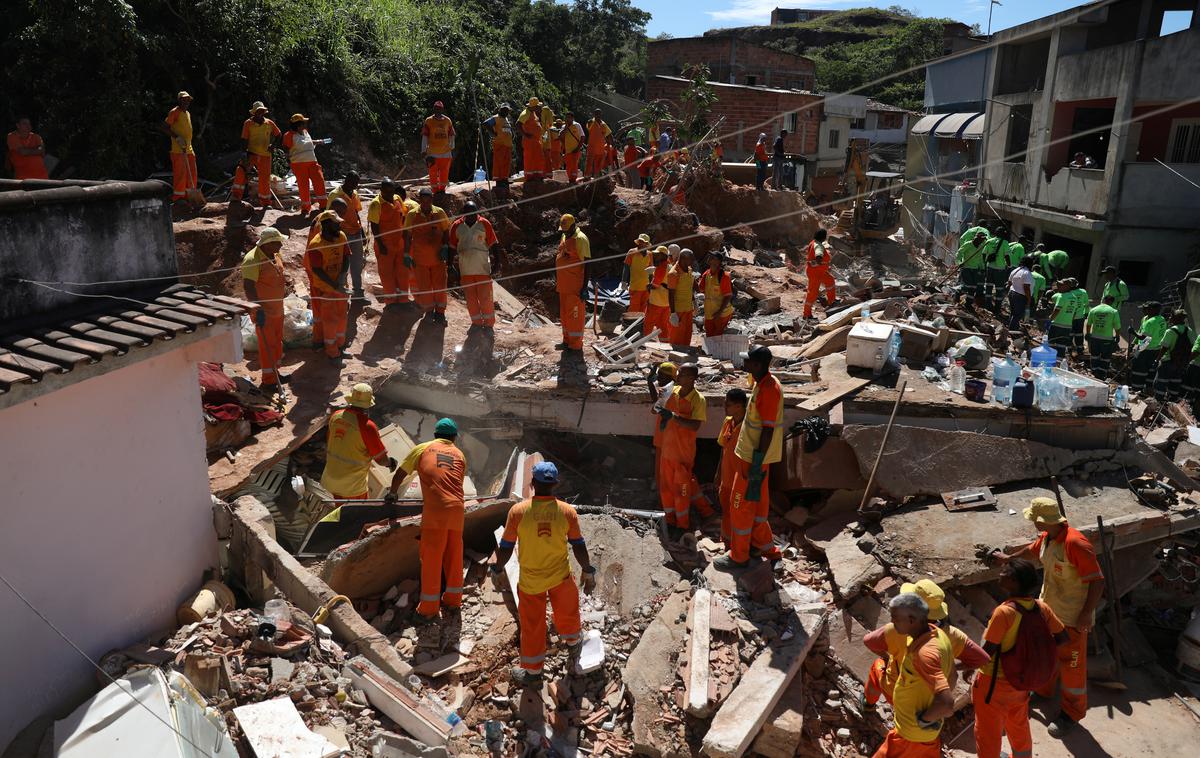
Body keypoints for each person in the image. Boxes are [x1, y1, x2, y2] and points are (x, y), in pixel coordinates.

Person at [991, 498, 1105, 737]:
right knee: (1045, 655)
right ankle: (1043, 691)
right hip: (1049, 612)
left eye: (1034, 518)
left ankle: (1071, 714)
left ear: (1042, 520)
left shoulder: (1076, 543)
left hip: (1073, 619)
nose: (1032, 521)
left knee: (1072, 668)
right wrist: (1009, 559)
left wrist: (1085, 614)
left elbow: (1097, 580)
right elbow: (1031, 552)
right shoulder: (1048, 538)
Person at [489, 461, 596, 686]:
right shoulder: (567, 511)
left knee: (533, 625)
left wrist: (498, 569)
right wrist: (587, 570)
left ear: (533, 483)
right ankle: (574, 645)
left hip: (531, 581)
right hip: (560, 577)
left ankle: (534, 674)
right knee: (567, 613)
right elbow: (578, 544)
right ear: (555, 484)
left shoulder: (518, 511)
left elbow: (507, 546)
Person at [972, 559, 1069, 758]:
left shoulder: (1004, 612)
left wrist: (965, 666)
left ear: (1014, 581)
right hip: (1022, 682)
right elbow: (1063, 637)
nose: (1000, 573)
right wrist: (1032, 656)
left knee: (987, 732)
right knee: (1019, 725)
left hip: (994, 684)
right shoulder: (1041, 608)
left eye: (1005, 571)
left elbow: (987, 651)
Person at [863, 579, 989, 708]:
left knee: (877, 666)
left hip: (896, 692)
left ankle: (868, 704)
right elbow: (981, 659)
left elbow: (868, 641)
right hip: (927, 699)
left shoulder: (895, 629)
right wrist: (953, 669)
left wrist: (887, 657)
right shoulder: (953, 636)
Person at [387, 418, 466, 621]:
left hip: (436, 514)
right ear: (454, 437)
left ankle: (429, 609)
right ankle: (454, 601)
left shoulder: (423, 448)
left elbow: (400, 474)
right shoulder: (459, 454)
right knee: (453, 555)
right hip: (457, 511)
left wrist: (393, 494)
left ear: (435, 435)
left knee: (432, 558)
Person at [716, 345, 784, 569]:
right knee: (756, 508)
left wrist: (756, 461)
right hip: (754, 458)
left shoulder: (769, 390)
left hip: (752, 460)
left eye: (748, 362)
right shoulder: (761, 384)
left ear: (757, 365)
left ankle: (739, 556)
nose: (744, 364)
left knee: (741, 508)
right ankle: (763, 547)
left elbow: (767, 429)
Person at [870, 593, 957, 758]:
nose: (892, 622)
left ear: (911, 620)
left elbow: (947, 704)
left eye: (895, 618)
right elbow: (953, 676)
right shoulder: (939, 635)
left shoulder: (925, 654)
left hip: (910, 734)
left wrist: (923, 720)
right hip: (925, 735)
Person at [656, 364, 707, 538]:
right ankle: (670, 521)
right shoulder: (672, 391)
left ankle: (683, 525)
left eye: (683, 374)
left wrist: (674, 417)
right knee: (666, 489)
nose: (678, 376)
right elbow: (655, 408)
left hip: (682, 455)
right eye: (679, 373)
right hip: (667, 452)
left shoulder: (698, 400)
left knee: (682, 492)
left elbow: (695, 425)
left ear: (692, 378)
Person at [320, 384, 391, 500]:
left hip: (328, 481)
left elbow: (333, 441)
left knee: (329, 515)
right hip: (351, 489)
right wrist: (390, 463)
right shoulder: (367, 427)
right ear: (368, 405)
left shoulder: (336, 416)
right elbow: (381, 460)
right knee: (353, 516)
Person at [241, 227, 288, 392]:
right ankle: (269, 381)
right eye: (277, 242)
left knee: (277, 342)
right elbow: (248, 287)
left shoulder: (274, 255)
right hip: (264, 312)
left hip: (277, 308)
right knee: (267, 345)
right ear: (267, 244)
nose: (281, 245)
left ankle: (276, 374)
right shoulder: (252, 260)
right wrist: (257, 309)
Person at [448, 201, 505, 332]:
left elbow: (494, 244)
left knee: (485, 298)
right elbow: (451, 247)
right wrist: (450, 265)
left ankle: (489, 325)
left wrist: (497, 262)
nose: (472, 216)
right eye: (469, 214)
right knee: (471, 299)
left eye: (474, 214)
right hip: (465, 270)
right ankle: (476, 323)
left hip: (482, 269)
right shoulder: (457, 226)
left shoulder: (484, 224)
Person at [306, 210, 351, 360]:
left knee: (342, 317)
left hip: (339, 285)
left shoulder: (341, 236)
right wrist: (333, 284)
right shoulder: (316, 245)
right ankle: (332, 352)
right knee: (330, 321)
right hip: (325, 289)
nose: (339, 224)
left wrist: (342, 277)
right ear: (326, 225)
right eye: (335, 222)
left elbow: (346, 257)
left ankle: (340, 346)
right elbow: (317, 270)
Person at [403, 187, 452, 323]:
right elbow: (407, 236)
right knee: (424, 287)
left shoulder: (439, 212)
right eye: (423, 200)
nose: (425, 203)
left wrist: (445, 245)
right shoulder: (412, 215)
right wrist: (406, 254)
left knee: (440, 286)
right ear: (419, 200)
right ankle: (429, 311)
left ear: (431, 199)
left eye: (428, 200)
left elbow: (446, 230)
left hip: (438, 259)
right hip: (420, 260)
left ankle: (440, 313)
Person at [715, 388, 748, 544]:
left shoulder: (748, 427)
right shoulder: (728, 422)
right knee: (726, 510)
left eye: (728, 404)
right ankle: (727, 540)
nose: (724, 406)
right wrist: (718, 473)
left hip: (739, 478)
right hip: (726, 477)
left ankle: (738, 545)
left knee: (738, 511)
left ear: (739, 406)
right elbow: (723, 449)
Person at [328, 171, 366, 299]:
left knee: (357, 263)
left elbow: (356, 213)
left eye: (356, 184)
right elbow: (329, 216)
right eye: (353, 183)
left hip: (356, 232)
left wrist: (362, 232)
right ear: (346, 181)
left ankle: (358, 292)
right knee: (343, 264)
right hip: (343, 234)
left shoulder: (354, 194)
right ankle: (341, 291)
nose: (354, 186)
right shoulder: (335, 195)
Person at [556, 214, 589, 352]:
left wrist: (585, 287)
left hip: (575, 286)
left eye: (566, 230)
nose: (564, 232)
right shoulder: (565, 235)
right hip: (564, 285)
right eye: (563, 230)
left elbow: (588, 264)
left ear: (573, 226)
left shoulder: (581, 239)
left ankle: (575, 345)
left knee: (575, 316)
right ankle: (567, 340)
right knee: (564, 315)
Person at [283, 114, 328, 214]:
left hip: (313, 162)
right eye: (303, 123)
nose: (305, 124)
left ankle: (323, 205)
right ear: (298, 125)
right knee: (304, 186)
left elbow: (307, 142)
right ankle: (305, 208)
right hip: (298, 165)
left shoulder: (305, 132)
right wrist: (289, 161)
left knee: (319, 181)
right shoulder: (288, 136)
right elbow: (286, 150)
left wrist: (318, 142)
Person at [241, 101, 281, 208]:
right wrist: (244, 154)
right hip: (251, 153)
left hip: (265, 155)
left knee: (264, 179)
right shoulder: (248, 123)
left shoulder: (269, 123)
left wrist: (273, 146)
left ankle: (265, 203)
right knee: (241, 172)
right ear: (254, 112)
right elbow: (244, 139)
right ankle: (237, 197)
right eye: (258, 111)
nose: (260, 113)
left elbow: (278, 134)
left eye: (262, 111)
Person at [161, 92, 196, 202]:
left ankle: (189, 197)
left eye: (188, 100)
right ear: (179, 100)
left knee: (192, 175)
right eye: (184, 100)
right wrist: (177, 137)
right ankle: (178, 199)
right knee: (180, 176)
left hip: (189, 149)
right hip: (178, 150)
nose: (186, 102)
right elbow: (164, 127)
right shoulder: (174, 112)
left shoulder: (188, 113)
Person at [1129, 301, 1166, 393]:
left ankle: (1137, 389)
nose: (1143, 310)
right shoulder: (1160, 319)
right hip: (1152, 347)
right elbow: (1141, 331)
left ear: (1153, 310)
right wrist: (1134, 343)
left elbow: (1144, 337)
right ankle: (1147, 390)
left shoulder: (1151, 322)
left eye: (1146, 309)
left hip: (1146, 348)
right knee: (1150, 370)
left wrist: (1132, 332)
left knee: (1138, 369)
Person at [1155, 309, 1192, 400]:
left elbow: (1164, 348)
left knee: (1160, 383)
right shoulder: (1189, 331)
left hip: (1167, 361)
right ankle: (1172, 402)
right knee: (1175, 383)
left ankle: (1159, 402)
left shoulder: (1170, 331)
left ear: (1176, 318)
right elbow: (1191, 346)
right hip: (1181, 363)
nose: (1170, 318)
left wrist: (1157, 360)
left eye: (1171, 316)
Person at [422, 100, 455, 194]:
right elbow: (425, 136)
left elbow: (452, 134)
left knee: (444, 173)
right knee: (432, 173)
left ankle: (442, 190)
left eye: (439, 108)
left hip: (446, 153)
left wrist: (451, 146)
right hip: (432, 153)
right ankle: (435, 191)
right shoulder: (429, 121)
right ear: (433, 108)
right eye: (436, 108)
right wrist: (424, 150)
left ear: (442, 109)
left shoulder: (447, 120)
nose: (438, 110)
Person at [803, 229, 837, 319]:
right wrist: (821, 262)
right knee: (813, 293)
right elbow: (818, 256)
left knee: (830, 281)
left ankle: (831, 302)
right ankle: (806, 314)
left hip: (819, 271)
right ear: (823, 237)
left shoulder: (813, 242)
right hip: (815, 273)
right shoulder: (818, 246)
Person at [1084, 295, 1121, 380]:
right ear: (1112, 302)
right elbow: (1117, 327)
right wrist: (1117, 336)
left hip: (1095, 338)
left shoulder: (1093, 310)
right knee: (1105, 357)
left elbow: (1089, 324)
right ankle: (1102, 374)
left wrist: (1088, 333)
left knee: (1094, 355)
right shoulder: (1113, 311)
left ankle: (1094, 372)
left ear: (1103, 300)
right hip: (1107, 339)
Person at [666, 249, 697, 348]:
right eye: (690, 259)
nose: (692, 261)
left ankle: (684, 356)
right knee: (677, 338)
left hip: (688, 309)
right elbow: (671, 294)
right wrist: (673, 313)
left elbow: (689, 287)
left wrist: (694, 302)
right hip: (678, 311)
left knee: (686, 336)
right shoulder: (674, 273)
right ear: (684, 259)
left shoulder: (689, 270)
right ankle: (675, 359)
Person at [700, 253, 735, 337]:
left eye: (712, 257)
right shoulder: (706, 274)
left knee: (717, 338)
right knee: (710, 337)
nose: (709, 258)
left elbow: (728, 296)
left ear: (718, 261)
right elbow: (700, 289)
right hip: (709, 313)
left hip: (721, 314)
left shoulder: (724, 276)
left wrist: (719, 312)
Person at [482, 103, 514, 190]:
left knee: (506, 163)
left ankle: (504, 179)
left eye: (507, 111)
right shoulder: (496, 118)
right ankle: (499, 180)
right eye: (505, 110)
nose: (506, 112)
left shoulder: (506, 119)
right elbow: (486, 124)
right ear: (501, 110)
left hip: (507, 145)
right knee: (499, 163)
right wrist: (493, 133)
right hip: (500, 144)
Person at [622, 234, 653, 314]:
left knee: (643, 310)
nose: (641, 244)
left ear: (647, 244)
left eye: (643, 242)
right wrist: (624, 282)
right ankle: (630, 325)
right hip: (635, 287)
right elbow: (626, 267)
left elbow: (651, 271)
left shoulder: (650, 254)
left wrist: (652, 285)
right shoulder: (632, 252)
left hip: (646, 288)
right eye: (640, 242)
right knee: (633, 309)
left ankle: (640, 326)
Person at [982, 227, 1011, 313]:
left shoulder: (989, 241)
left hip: (990, 267)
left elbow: (984, 253)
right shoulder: (1005, 242)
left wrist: (985, 263)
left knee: (989, 287)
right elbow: (1007, 256)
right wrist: (1009, 265)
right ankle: (997, 308)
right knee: (999, 289)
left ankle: (988, 305)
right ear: (1002, 234)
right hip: (1000, 269)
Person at [645, 246, 671, 337]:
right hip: (667, 301)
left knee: (649, 321)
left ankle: (644, 341)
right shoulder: (670, 266)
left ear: (662, 255)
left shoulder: (661, 267)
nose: (655, 256)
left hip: (656, 300)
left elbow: (655, 285)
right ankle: (664, 343)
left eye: (657, 254)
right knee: (663, 324)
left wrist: (648, 284)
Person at [956, 231, 988, 306]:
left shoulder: (981, 247)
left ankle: (968, 303)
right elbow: (959, 254)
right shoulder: (968, 244)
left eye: (983, 240)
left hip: (975, 269)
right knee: (967, 285)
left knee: (973, 287)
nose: (983, 241)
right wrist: (959, 262)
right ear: (977, 238)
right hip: (966, 267)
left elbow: (980, 259)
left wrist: (983, 268)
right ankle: (958, 292)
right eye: (982, 239)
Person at [1046, 280, 1076, 357]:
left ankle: (1049, 360)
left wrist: (1050, 319)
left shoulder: (1062, 296)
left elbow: (1057, 310)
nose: (1058, 287)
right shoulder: (1074, 297)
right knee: (1062, 346)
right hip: (1067, 326)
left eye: (1060, 285)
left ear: (1067, 286)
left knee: (1051, 343)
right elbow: (1074, 313)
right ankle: (1058, 362)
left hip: (1057, 324)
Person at [519, 97, 545, 180]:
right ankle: (529, 177)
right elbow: (518, 124)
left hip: (536, 141)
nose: (539, 108)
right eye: (538, 106)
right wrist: (525, 134)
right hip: (529, 142)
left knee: (538, 159)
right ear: (533, 106)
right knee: (529, 159)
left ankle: (537, 176)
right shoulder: (525, 113)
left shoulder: (533, 113)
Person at [1005, 255, 1034, 331]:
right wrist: (1029, 299)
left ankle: (1011, 327)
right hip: (1020, 296)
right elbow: (1026, 288)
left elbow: (1009, 282)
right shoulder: (1027, 273)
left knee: (1013, 313)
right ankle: (1012, 331)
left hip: (1012, 292)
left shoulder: (1016, 270)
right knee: (1017, 315)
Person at [584, 109, 611, 177]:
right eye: (596, 113)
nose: (598, 115)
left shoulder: (603, 124)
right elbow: (588, 128)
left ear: (601, 114)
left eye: (599, 113)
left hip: (600, 148)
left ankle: (597, 177)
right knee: (589, 163)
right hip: (592, 147)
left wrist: (610, 143)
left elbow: (609, 134)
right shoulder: (590, 122)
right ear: (594, 114)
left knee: (598, 165)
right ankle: (587, 177)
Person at [560, 112, 585, 184]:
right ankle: (571, 180)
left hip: (575, 151)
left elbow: (582, 137)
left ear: (572, 118)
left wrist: (578, 148)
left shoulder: (577, 125)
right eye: (566, 117)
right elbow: (560, 136)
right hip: (567, 151)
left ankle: (573, 181)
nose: (567, 119)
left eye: (569, 117)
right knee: (568, 167)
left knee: (574, 166)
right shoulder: (564, 127)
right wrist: (566, 128)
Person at [1068, 278, 1090, 351]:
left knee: (1070, 333)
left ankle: (1069, 349)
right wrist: (1086, 313)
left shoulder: (1068, 292)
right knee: (1079, 334)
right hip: (1080, 317)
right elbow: (1086, 304)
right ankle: (1080, 349)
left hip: (1069, 317)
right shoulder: (1083, 291)